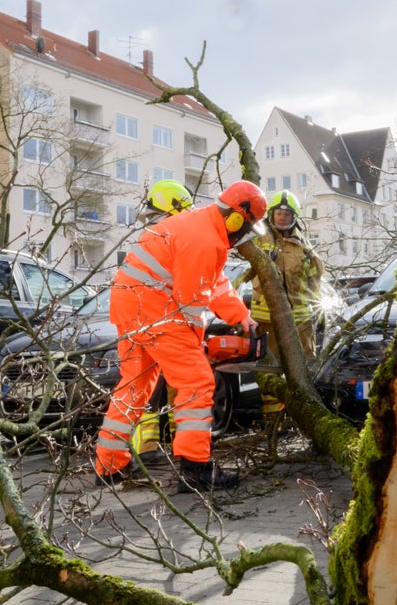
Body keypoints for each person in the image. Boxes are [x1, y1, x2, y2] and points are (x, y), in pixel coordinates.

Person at [96, 180, 266, 491]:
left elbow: (215, 284)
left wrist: (242, 316)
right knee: (197, 381)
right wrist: (197, 345)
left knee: (134, 385)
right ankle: (195, 469)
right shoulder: (204, 238)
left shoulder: (202, 226)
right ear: (236, 218)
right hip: (154, 309)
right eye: (245, 229)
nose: (242, 237)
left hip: (130, 306)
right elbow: (191, 300)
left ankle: (109, 465)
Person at [236, 191, 323, 417]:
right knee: (271, 369)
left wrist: (315, 308)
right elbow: (241, 260)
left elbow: (315, 280)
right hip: (268, 319)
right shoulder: (258, 238)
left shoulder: (304, 247)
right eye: (279, 213)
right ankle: (274, 420)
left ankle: (302, 416)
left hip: (300, 320)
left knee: (302, 369)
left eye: (287, 214)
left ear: (294, 217)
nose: (282, 217)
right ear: (271, 215)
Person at [129, 179, 196, 465]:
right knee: (176, 390)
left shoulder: (150, 243)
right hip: (162, 327)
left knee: (153, 390)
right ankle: (179, 454)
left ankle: (149, 449)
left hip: (149, 326)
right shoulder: (167, 245)